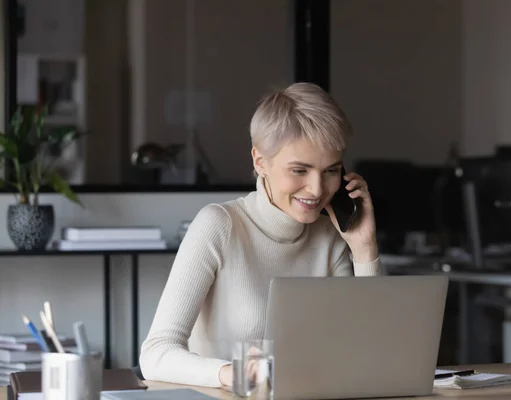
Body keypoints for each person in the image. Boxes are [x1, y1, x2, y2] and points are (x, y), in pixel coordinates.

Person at [139, 82, 381, 389]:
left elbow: (370, 355)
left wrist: (364, 249)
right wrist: (235, 374)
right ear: (260, 161)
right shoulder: (219, 225)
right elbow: (155, 354)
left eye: (331, 170)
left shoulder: (329, 237)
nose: (317, 189)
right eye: (299, 170)